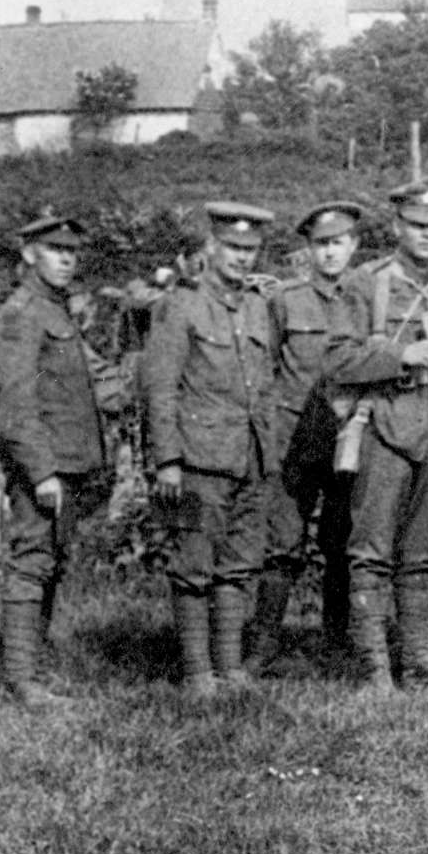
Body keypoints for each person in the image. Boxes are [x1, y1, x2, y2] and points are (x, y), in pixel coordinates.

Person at [324, 179, 428, 690]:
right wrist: (400, 356)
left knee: (422, 555)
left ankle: (419, 661)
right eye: (417, 225)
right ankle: (374, 669)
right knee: (370, 551)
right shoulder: (368, 283)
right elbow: (336, 358)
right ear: (397, 226)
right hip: (385, 424)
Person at [139, 201, 284, 696]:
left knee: (239, 564)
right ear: (211, 248)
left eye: (251, 250)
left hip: (251, 455)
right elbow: (160, 389)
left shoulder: (258, 305)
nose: (243, 258)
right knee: (194, 564)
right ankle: (198, 672)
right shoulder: (180, 306)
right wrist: (168, 462)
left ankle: (231, 667)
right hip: (199, 458)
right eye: (234, 248)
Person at [0, 213, 123, 707]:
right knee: (31, 563)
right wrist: (40, 471)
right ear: (29, 255)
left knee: (51, 563)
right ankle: (21, 680)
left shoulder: (55, 309)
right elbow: (15, 403)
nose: (66, 260)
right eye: (53, 250)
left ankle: (34, 669)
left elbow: (91, 382)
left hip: (70, 462)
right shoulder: (23, 313)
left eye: (71, 252)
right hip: (45, 467)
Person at [260, 199, 365, 669]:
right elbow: (264, 368)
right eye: (320, 245)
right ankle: (262, 646)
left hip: (347, 440)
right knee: (281, 544)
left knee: (342, 545)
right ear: (308, 249)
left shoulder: (365, 298)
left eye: (337, 244)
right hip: (294, 441)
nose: (329, 254)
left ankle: (337, 645)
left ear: (354, 246)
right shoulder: (285, 300)